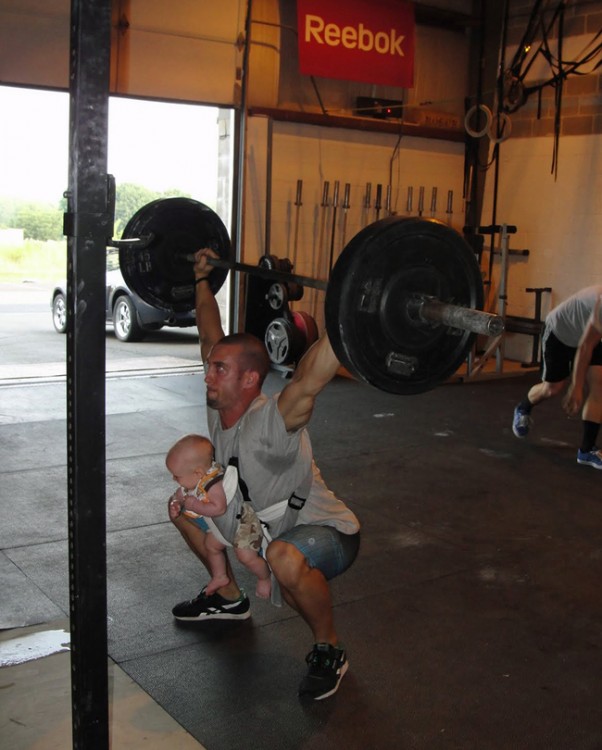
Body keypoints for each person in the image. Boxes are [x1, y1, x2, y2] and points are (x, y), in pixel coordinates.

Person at [168, 248, 361, 701]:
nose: (207, 376)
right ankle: (229, 597)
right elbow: (208, 334)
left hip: (326, 530)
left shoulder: (274, 418)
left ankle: (329, 649)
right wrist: (202, 279)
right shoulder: (221, 405)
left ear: (251, 379)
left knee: (284, 559)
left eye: (219, 370)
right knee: (181, 509)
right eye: (211, 367)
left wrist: (352, 309)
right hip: (262, 524)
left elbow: (311, 377)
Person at [166, 433, 271, 599]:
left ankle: (264, 577)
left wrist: (196, 505)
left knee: (246, 557)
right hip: (222, 527)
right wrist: (176, 503)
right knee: (211, 546)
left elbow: (219, 508)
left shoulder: (214, 483)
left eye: (176, 476)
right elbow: (179, 494)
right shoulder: (194, 480)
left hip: (242, 524)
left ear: (198, 473)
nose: (173, 478)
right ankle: (220, 576)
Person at [512, 286, 602, 469]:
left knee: (599, 385)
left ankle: (586, 451)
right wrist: (576, 387)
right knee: (553, 388)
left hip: (591, 335)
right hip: (560, 333)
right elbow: (585, 347)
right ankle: (523, 408)